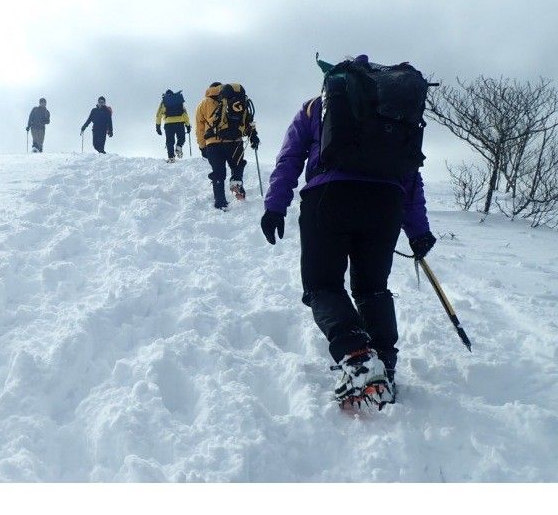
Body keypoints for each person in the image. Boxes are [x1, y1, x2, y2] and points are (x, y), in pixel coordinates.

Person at [260, 54, 437, 409]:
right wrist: (418, 230)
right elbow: (409, 174)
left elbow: (290, 158)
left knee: (322, 284)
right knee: (373, 288)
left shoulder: (314, 109)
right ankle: (383, 364)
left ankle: (357, 356)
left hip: (329, 198)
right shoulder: (393, 115)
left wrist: (274, 206)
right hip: (386, 202)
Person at [195, 82, 260, 210]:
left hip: (213, 143)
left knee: (218, 173)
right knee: (237, 164)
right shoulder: (237, 98)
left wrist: (202, 146)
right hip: (235, 141)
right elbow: (248, 120)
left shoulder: (204, 103)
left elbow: (200, 127)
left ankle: (220, 203)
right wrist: (253, 136)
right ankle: (236, 181)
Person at [155, 89, 191, 162]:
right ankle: (179, 146)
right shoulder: (178, 101)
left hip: (168, 124)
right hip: (180, 123)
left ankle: (171, 157)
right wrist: (188, 125)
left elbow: (158, 115)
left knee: (170, 141)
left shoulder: (164, 102)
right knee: (181, 138)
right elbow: (185, 114)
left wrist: (158, 126)